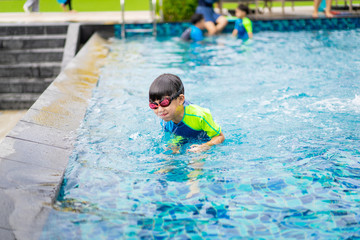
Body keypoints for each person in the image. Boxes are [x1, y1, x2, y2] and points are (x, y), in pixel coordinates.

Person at [149, 73, 225, 153]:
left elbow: (220, 137)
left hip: (205, 140)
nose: (160, 110)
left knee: (196, 160)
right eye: (154, 105)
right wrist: (174, 145)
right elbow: (174, 135)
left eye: (164, 103)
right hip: (186, 137)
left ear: (180, 99)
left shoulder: (199, 116)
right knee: (168, 158)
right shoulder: (165, 116)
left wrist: (204, 146)